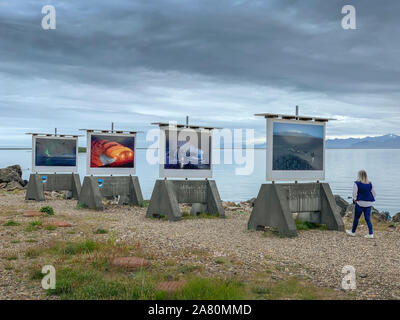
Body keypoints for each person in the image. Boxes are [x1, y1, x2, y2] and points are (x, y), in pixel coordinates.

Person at [346, 170, 376, 239]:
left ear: (359, 175)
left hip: (360, 203)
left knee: (356, 218)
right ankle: (371, 234)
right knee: (367, 218)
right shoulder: (370, 183)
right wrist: (369, 199)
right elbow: (374, 194)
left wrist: (354, 200)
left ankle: (353, 232)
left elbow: (354, 194)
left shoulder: (357, 183)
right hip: (368, 203)